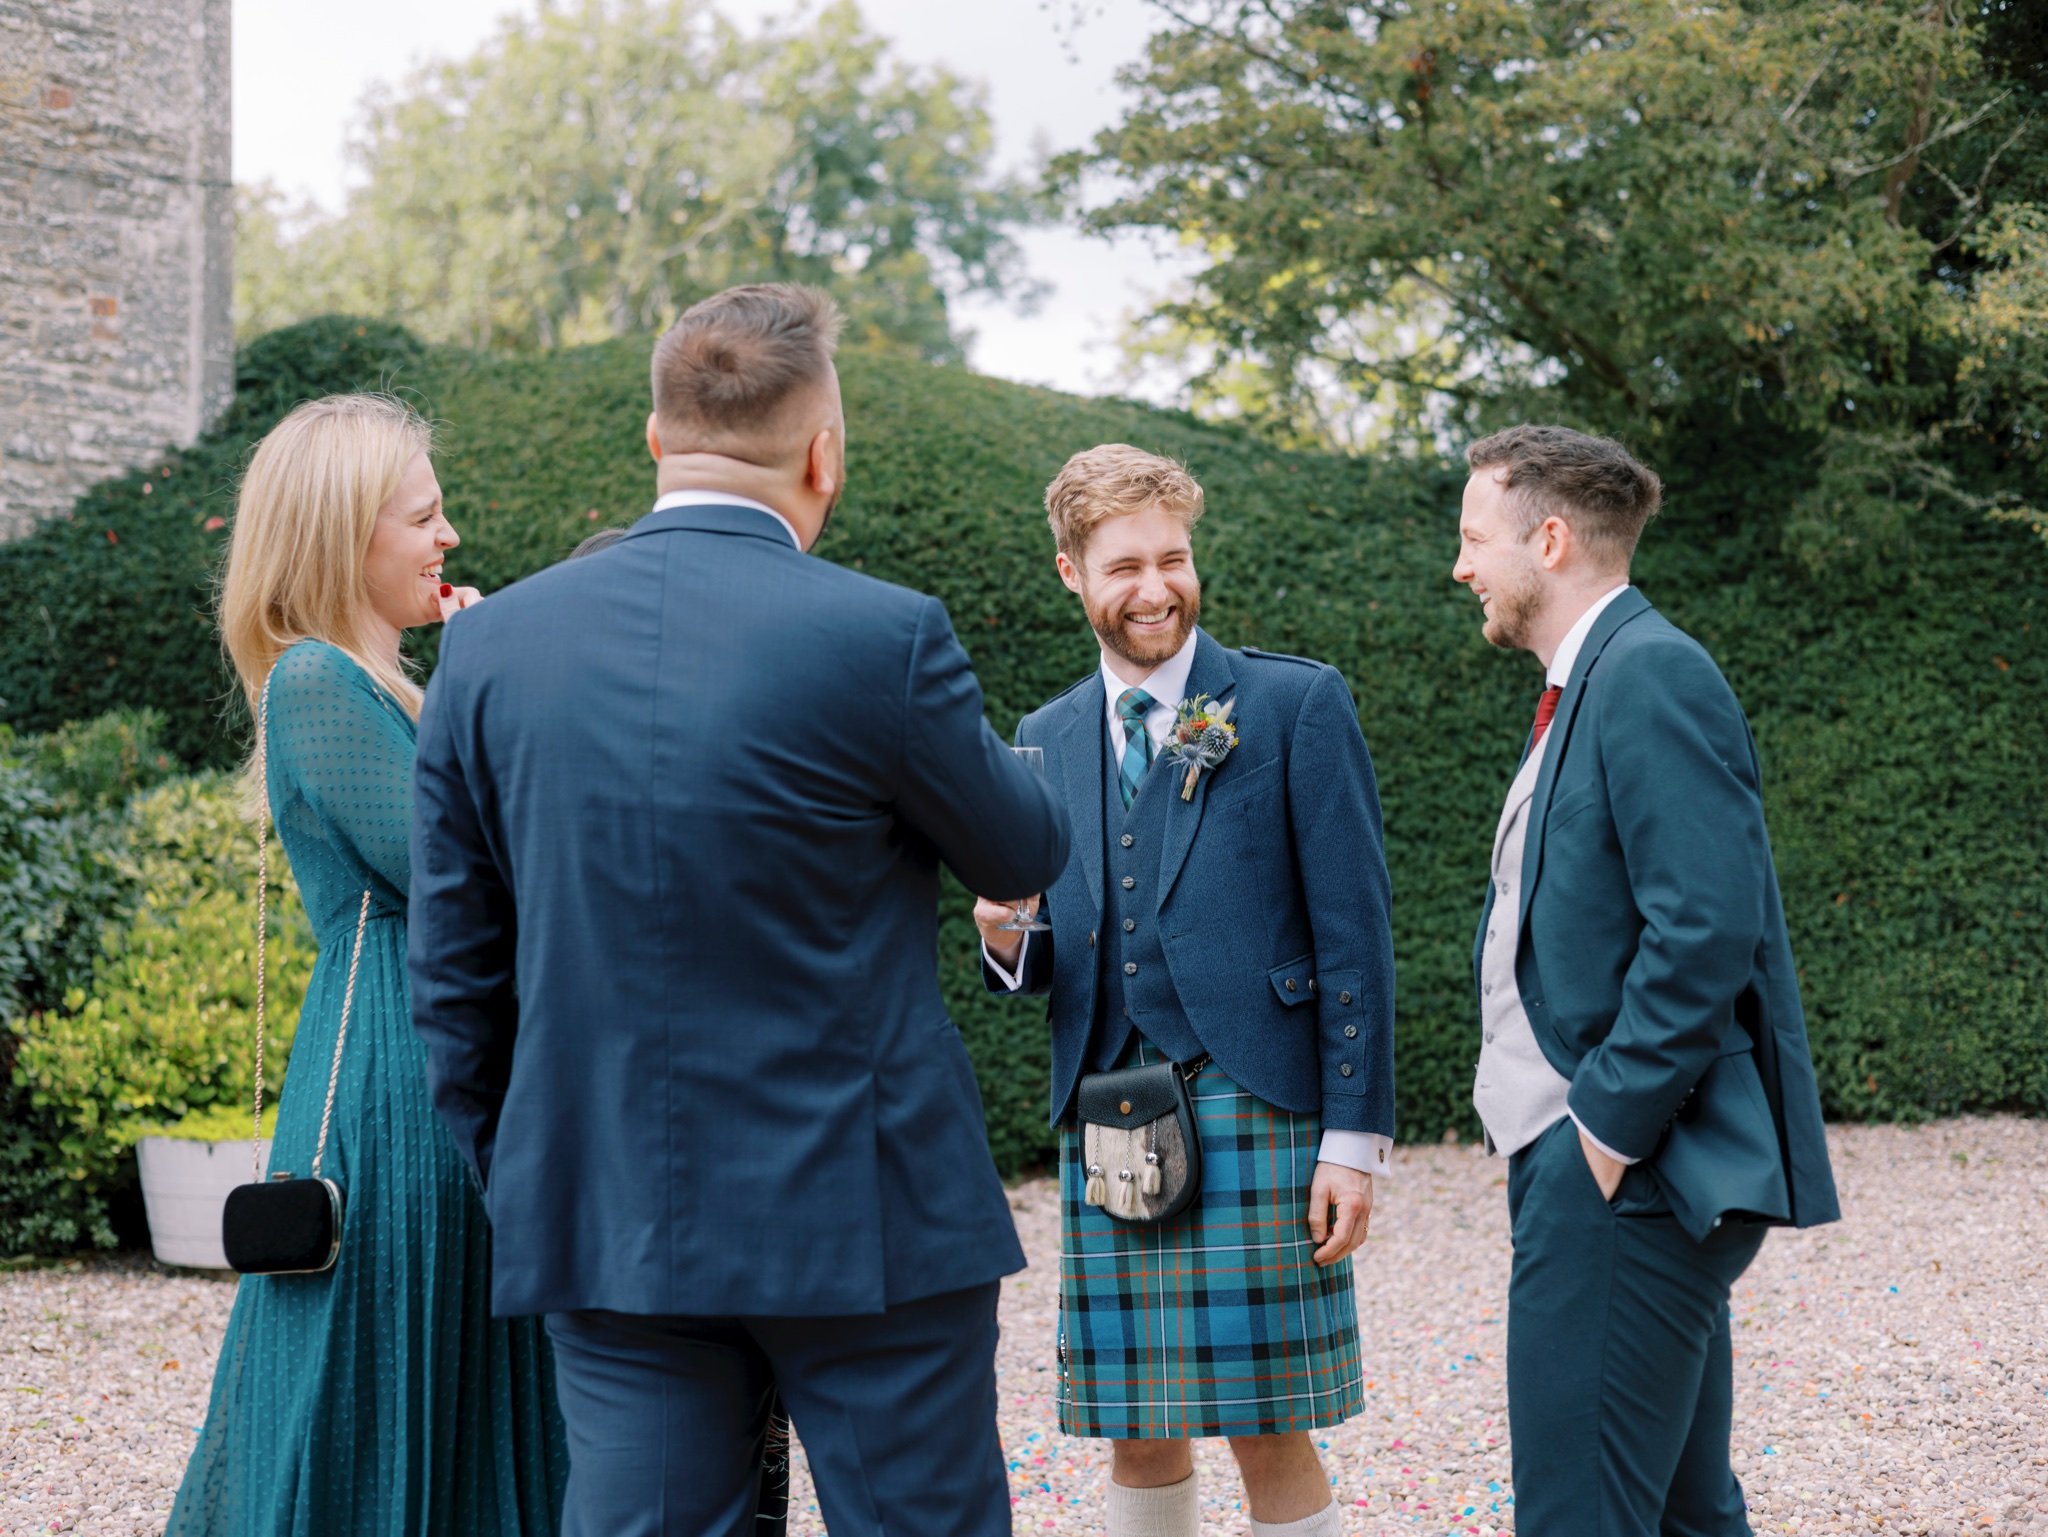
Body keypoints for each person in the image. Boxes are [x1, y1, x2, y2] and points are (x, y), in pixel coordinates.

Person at [408, 282, 1071, 1537]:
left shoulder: (489, 653)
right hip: (863, 1213)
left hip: (609, 1212)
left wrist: (540, 1172)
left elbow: (454, 980)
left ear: (655, 442)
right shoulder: (881, 637)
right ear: (822, 452)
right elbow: (1022, 841)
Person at [975, 444, 1394, 1537]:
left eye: (1173, 557)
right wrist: (1009, 935)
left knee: (1266, 1418)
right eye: (1122, 566)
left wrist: (1351, 1140)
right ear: (1069, 571)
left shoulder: (1291, 702)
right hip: (1109, 1108)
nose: (1155, 588)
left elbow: (1355, 936)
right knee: (1136, 1421)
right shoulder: (1045, 737)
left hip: (1252, 1098)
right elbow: (1049, 955)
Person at [169, 394, 567, 1534]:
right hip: (392, 1086)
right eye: (422, 516)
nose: (447, 538)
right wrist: (498, 680)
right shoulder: (315, 682)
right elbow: (463, 875)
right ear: (348, 535)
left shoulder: (393, 691)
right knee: (367, 1383)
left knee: (449, 1385)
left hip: (445, 1070)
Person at [1453, 424, 1841, 1535]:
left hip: (1627, 1173)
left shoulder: (1647, 671)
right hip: (1609, 1172)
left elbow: (1704, 927)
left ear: (1552, 537)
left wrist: (1603, 1133)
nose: (1461, 566)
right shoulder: (1591, 685)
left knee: (1578, 1515)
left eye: (1476, 538)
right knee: (1683, 1516)